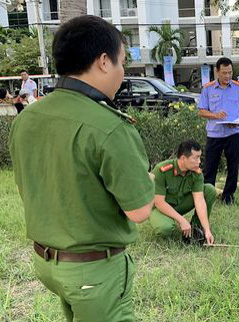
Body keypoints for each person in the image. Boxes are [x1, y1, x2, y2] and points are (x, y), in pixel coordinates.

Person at [9, 16, 155, 322]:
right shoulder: (110, 127)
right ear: (104, 61)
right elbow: (140, 211)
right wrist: (147, 180)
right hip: (93, 271)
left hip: (47, 262)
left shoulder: (27, 119)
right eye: (122, 62)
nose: (122, 72)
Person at [198, 57, 239, 205]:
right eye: (224, 73)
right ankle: (207, 197)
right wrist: (215, 115)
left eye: (230, 72)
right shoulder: (207, 88)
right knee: (210, 168)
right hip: (214, 134)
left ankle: (228, 197)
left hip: (233, 134)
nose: (228, 76)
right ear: (217, 71)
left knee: (233, 167)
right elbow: (201, 111)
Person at [150, 140, 216, 245]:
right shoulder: (162, 170)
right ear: (183, 158)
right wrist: (182, 220)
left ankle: (195, 229)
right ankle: (172, 224)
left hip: (180, 205)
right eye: (195, 158)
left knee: (209, 190)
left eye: (200, 157)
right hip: (161, 208)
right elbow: (159, 203)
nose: (199, 162)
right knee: (165, 229)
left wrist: (207, 229)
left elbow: (199, 200)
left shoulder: (196, 173)